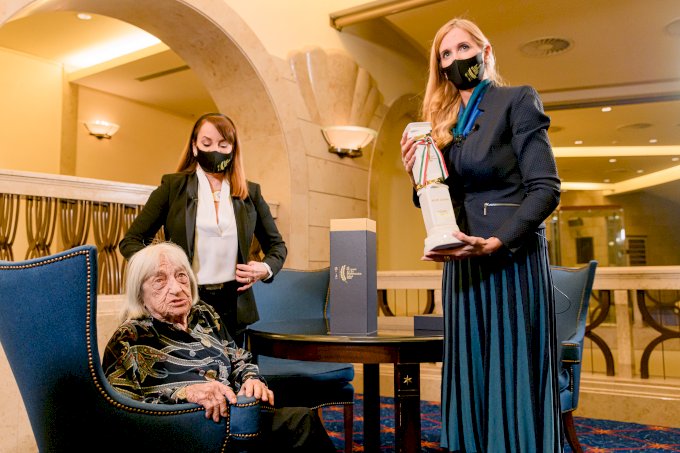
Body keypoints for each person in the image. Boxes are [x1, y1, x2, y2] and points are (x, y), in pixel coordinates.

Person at [400, 18, 562, 452]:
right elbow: (434, 198)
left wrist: (497, 241)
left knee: (510, 371)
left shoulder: (517, 100)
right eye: (445, 54)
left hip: (509, 258)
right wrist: (416, 171)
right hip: (462, 259)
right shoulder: (443, 124)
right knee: (471, 371)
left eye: (463, 48)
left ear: (485, 52)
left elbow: (546, 189)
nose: (455, 59)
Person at [102, 242, 336, 452]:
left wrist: (251, 379)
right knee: (298, 425)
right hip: (186, 432)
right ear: (139, 293)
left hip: (238, 419)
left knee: (303, 420)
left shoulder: (204, 315)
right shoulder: (129, 338)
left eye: (181, 276)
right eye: (159, 281)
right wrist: (183, 394)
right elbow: (121, 412)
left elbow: (239, 358)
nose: (176, 288)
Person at [120, 113, 287, 347]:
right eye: (207, 144)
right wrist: (161, 268)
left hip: (235, 305)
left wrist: (265, 268)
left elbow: (277, 246)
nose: (215, 150)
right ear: (194, 146)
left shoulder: (251, 193)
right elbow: (131, 241)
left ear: (233, 149)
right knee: (191, 368)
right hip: (186, 300)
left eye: (223, 145)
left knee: (232, 367)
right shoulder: (173, 187)